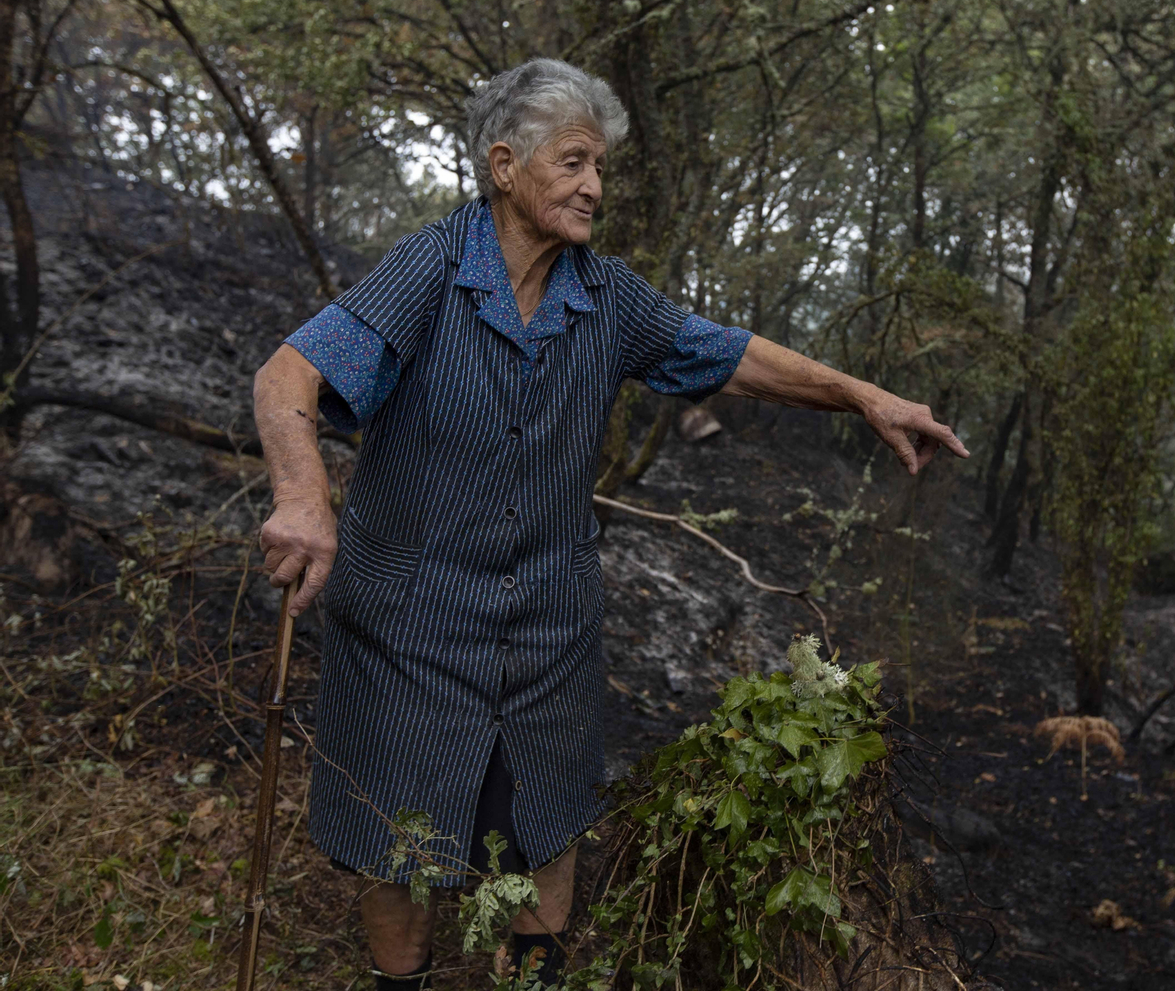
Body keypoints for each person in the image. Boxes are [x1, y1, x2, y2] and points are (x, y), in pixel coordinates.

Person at [253, 57, 967, 988]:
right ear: (505, 166)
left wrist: (865, 396)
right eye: (575, 162)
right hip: (409, 623)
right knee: (401, 842)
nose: (595, 187)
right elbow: (288, 376)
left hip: (548, 621)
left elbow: (730, 357)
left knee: (545, 826)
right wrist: (305, 497)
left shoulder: (605, 295)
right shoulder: (432, 267)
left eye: (601, 169)